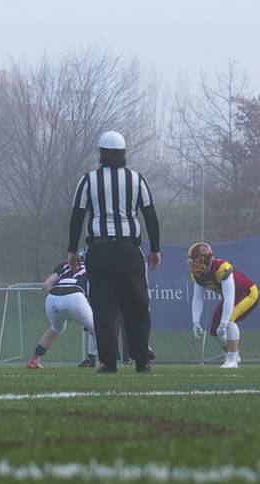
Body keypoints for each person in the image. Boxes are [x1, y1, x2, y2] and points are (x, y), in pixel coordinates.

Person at [67, 131, 160, 374]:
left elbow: (77, 216)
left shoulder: (88, 180)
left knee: (103, 308)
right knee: (137, 306)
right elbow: (149, 214)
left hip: (99, 250)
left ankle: (108, 362)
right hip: (129, 250)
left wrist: (71, 249)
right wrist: (156, 248)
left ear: (101, 154)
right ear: (123, 154)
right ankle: (142, 361)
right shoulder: (137, 179)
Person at [188, 242, 259, 369]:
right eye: (192, 262)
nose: (194, 265)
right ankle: (232, 354)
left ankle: (232, 359)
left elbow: (229, 296)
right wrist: (195, 321)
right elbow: (198, 298)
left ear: (206, 259)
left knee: (229, 321)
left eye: (197, 262)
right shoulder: (198, 275)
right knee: (215, 331)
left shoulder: (221, 268)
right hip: (231, 297)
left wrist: (224, 321)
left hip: (248, 293)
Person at [28, 249, 96, 369]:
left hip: (53, 297)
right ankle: (103, 361)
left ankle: (34, 360)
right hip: (76, 296)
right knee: (97, 329)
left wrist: (59, 299)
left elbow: (46, 285)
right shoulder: (93, 267)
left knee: (55, 329)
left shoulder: (64, 266)